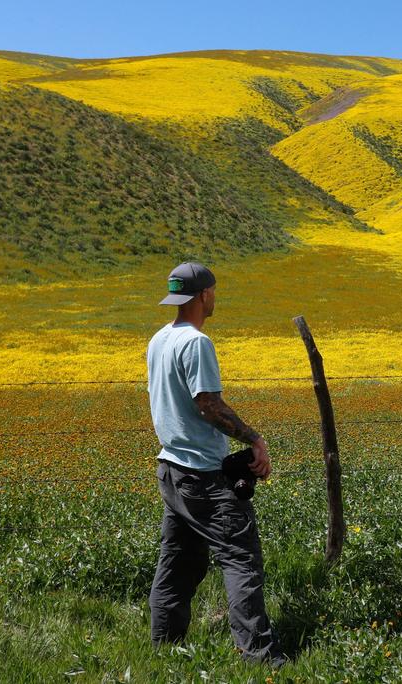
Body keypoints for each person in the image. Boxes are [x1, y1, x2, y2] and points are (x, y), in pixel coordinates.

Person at [146, 261, 284, 665]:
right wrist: (254, 438)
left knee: (178, 560)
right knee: (241, 558)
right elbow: (207, 405)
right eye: (214, 291)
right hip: (203, 475)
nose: (215, 297)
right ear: (204, 295)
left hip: (171, 470)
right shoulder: (196, 343)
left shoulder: (159, 339)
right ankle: (260, 658)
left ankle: (164, 646)